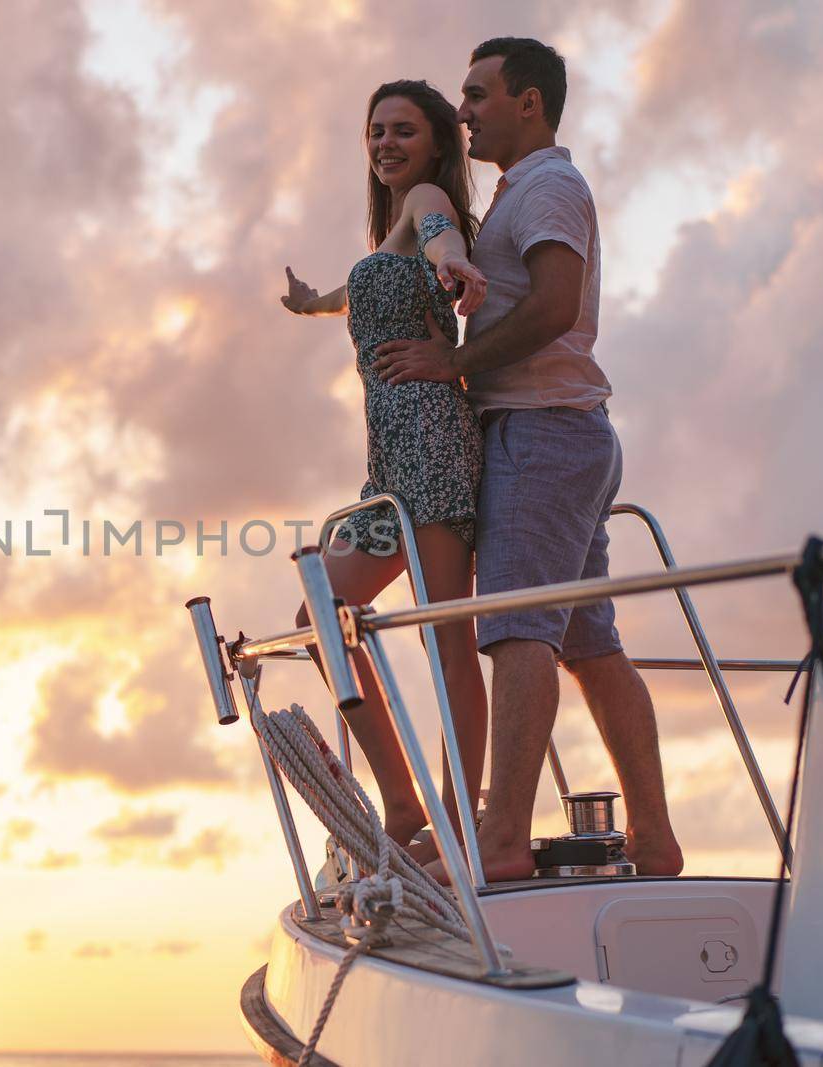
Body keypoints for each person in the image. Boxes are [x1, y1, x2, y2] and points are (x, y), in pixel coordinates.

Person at [372, 38, 685, 881]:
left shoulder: (548, 185)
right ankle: (655, 843)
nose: (463, 110)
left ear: (531, 103)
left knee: (518, 634)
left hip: (541, 433)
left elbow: (553, 306)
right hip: (569, 432)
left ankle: (500, 843)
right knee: (589, 645)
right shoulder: (524, 191)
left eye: (477, 94)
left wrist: (453, 363)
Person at [282, 80, 490, 857]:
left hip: (433, 442)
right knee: (320, 615)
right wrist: (314, 305)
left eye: (402, 130)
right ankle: (403, 806)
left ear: (436, 141)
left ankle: (459, 823)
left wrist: (457, 265)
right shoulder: (389, 236)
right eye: (375, 132)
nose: (385, 143)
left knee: (447, 640)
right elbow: (364, 284)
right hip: (388, 461)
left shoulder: (428, 202)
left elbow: (442, 238)